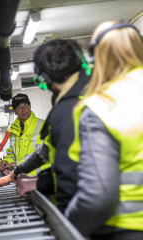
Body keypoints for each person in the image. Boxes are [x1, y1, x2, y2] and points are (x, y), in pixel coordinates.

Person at [65, 20, 143, 239]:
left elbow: (98, 197)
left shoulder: (103, 105)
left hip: (127, 229)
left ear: (95, 59)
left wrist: (69, 228)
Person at [11, 39, 90, 213]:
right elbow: (45, 151)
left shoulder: (69, 110)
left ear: (44, 79)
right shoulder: (94, 91)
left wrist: (70, 225)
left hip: (112, 218)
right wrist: (20, 170)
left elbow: (72, 174)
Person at [0, 93, 51, 175]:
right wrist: (6, 161)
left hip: (41, 177)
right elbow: (12, 154)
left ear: (30, 107)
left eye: (25, 106)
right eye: (19, 107)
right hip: (22, 178)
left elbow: (43, 152)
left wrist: (18, 164)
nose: (23, 110)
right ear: (15, 111)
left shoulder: (42, 126)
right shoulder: (14, 131)